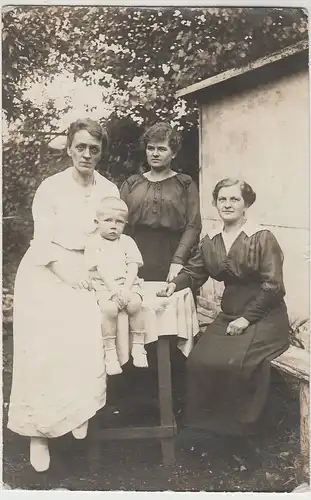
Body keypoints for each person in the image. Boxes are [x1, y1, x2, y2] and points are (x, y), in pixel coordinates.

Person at [7, 118, 119, 472]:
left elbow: (109, 239)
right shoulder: (50, 188)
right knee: (43, 347)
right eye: (81, 147)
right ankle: (38, 434)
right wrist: (64, 272)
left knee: (88, 333)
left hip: (89, 269)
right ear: (69, 147)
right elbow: (42, 240)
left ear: (101, 152)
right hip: (47, 269)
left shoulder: (109, 190)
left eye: (94, 148)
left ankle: (77, 410)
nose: (86, 154)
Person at [158, 178, 290, 435]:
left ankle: (244, 430)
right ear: (215, 203)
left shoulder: (262, 237)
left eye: (234, 199)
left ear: (246, 204)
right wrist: (174, 285)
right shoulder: (212, 239)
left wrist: (246, 319)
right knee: (198, 360)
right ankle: (207, 429)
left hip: (265, 315)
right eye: (222, 199)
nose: (227, 204)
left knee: (237, 364)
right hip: (230, 313)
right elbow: (195, 270)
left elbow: (274, 287)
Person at [120, 121, 202, 282]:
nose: (155, 153)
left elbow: (193, 225)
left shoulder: (185, 183)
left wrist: (178, 260)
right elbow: (120, 223)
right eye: (151, 148)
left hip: (173, 254)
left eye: (162, 149)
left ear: (174, 153)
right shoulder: (132, 183)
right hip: (135, 256)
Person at [85, 196, 147, 376]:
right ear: (97, 222)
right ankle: (110, 352)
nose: (114, 225)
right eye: (108, 220)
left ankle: (138, 345)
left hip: (127, 284)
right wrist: (114, 290)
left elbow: (133, 264)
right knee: (110, 309)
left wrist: (126, 289)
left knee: (135, 304)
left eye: (119, 222)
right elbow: (99, 268)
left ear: (125, 224)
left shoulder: (127, 241)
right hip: (105, 286)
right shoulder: (93, 242)